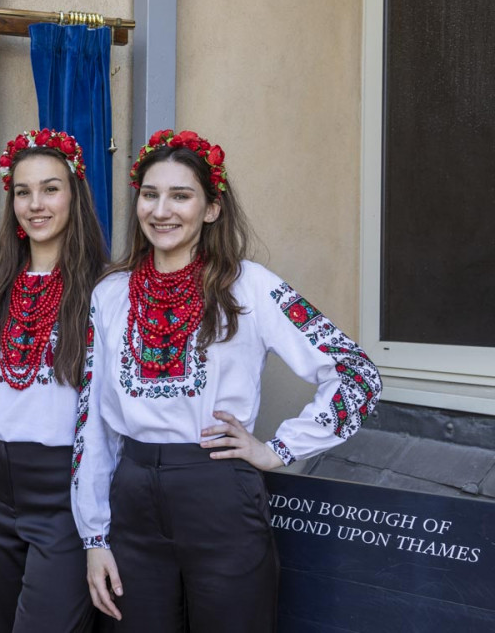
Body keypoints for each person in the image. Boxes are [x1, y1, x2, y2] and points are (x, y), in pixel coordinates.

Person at [71, 129, 382, 631]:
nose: (161, 210)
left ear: (211, 208)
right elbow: (93, 424)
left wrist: (278, 449)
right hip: (132, 501)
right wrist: (94, 538)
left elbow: (357, 375)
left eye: (181, 195)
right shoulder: (110, 293)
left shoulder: (251, 286)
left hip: (218, 492)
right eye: (150, 195)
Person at [0, 129, 109, 632]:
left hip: (65, 483)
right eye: (22, 192)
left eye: (50, 189)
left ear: (75, 194)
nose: (35, 204)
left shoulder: (106, 292)